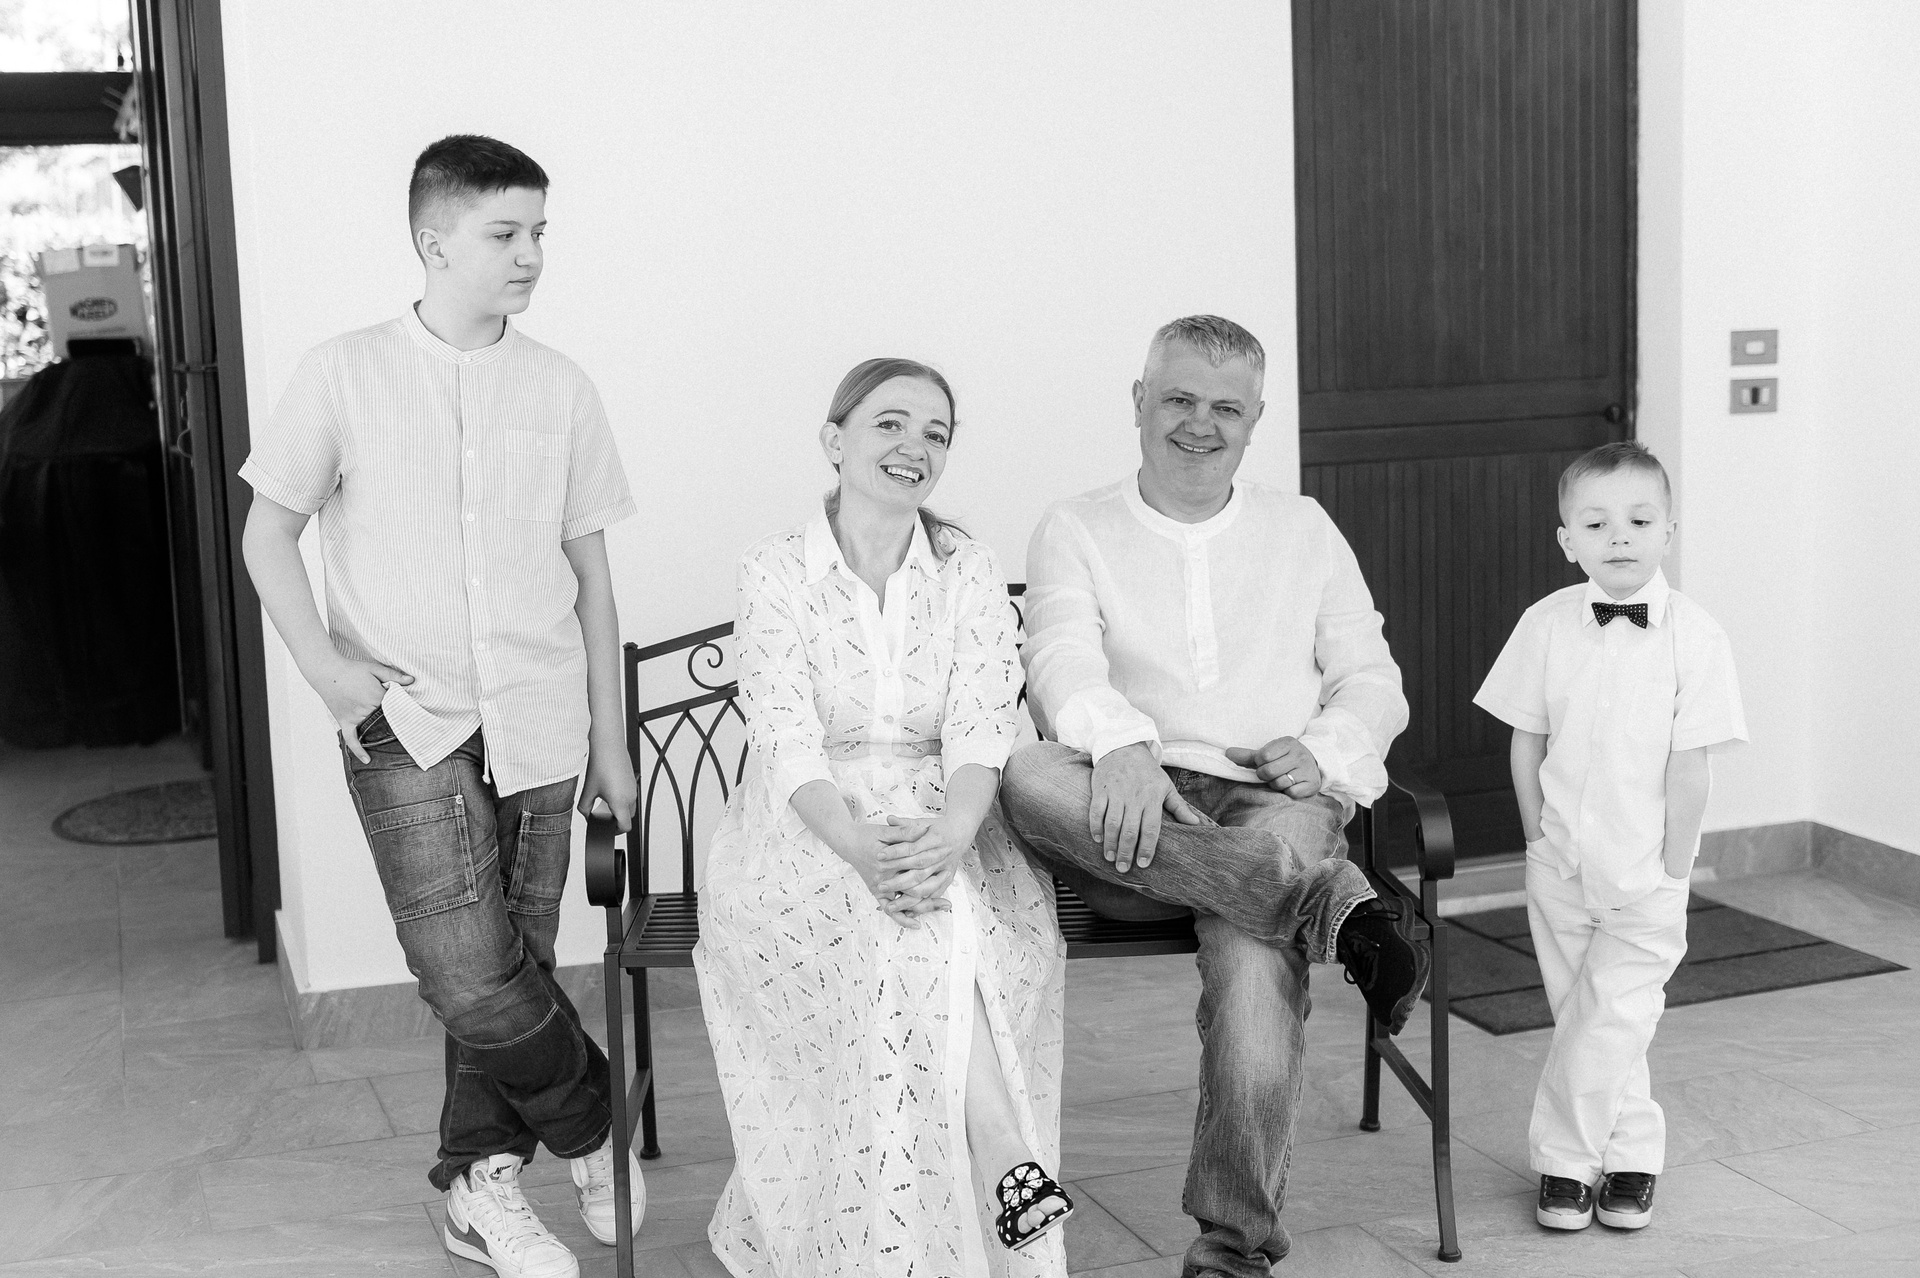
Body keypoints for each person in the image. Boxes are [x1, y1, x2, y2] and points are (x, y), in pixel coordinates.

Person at [240, 135, 644, 1278]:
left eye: (539, 233)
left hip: (541, 719)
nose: (531, 255)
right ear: (434, 240)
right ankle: (595, 1124)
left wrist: (612, 742)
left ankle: (482, 1186)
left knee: (515, 957)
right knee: (466, 970)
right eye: (505, 233)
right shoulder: (342, 372)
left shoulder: (561, 387)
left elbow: (594, 579)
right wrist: (328, 671)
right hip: (402, 719)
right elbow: (268, 532)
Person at [999, 315, 1428, 1278]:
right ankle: (1328, 903)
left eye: (1226, 408)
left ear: (1255, 418)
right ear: (1139, 401)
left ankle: (1232, 1254)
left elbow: (1371, 677)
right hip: (1134, 811)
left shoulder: (1304, 528)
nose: (1201, 423)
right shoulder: (1076, 525)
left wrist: (1325, 749)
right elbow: (1058, 656)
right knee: (1028, 777)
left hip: (1276, 800)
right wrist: (1122, 747)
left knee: (1251, 966)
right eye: (1180, 399)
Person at [693, 358, 1071, 1277]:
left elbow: (982, 725)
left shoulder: (967, 570)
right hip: (806, 827)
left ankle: (934, 1210)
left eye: (936, 433)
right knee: (900, 924)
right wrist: (861, 847)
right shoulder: (776, 570)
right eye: (891, 423)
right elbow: (786, 741)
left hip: (950, 813)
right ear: (836, 440)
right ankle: (1000, 1153)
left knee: (934, 918)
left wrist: (951, 835)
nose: (915, 447)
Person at [1474, 440, 1745, 1233]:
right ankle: (1630, 1156)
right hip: (1559, 862)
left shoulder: (1697, 636)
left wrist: (1673, 870)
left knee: (1613, 1015)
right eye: (1596, 524)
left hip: (1646, 870)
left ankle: (1564, 1164)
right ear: (1568, 540)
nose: (1619, 537)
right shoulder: (1545, 624)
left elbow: (1691, 766)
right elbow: (1526, 740)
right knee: (1586, 1015)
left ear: (1669, 531)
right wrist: (1536, 838)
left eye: (1639, 520)